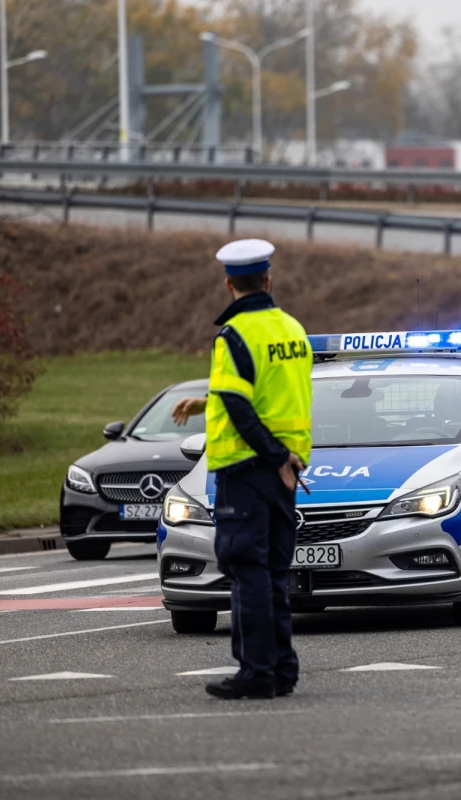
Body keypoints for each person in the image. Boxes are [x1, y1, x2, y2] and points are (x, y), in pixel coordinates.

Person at [171, 238, 313, 698]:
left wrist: (270, 455)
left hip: (249, 470)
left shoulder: (233, 335)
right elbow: (270, 395)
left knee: (247, 570)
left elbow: (238, 402)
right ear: (268, 280)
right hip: (286, 470)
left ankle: (256, 671)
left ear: (229, 283)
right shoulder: (292, 329)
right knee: (271, 571)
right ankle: (281, 670)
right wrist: (284, 458)